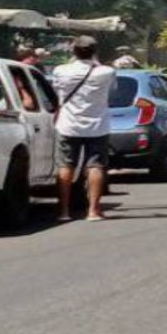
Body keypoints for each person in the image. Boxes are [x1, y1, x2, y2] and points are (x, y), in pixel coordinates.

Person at [52, 36, 117, 222]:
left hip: (68, 125)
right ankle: (93, 210)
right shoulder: (106, 72)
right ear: (95, 51)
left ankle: (64, 211)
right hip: (97, 126)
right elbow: (112, 91)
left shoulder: (60, 70)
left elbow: (57, 91)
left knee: (66, 165)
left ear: (73, 51)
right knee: (96, 166)